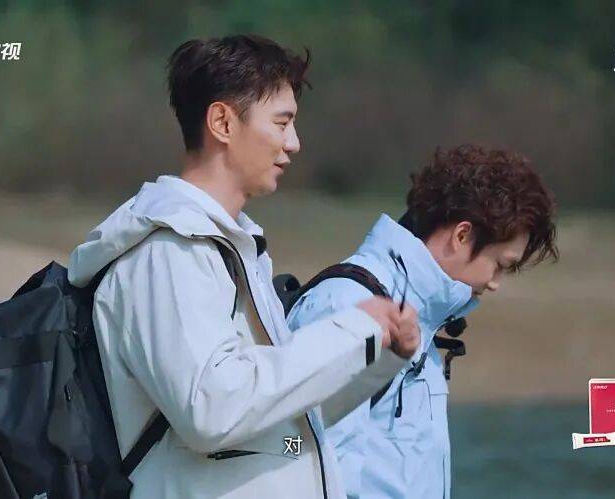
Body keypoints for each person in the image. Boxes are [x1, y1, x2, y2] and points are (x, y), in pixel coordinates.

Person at [67, 34, 420, 499]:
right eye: (282, 122)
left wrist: (378, 354)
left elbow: (288, 430)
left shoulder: (232, 249)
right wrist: (353, 330)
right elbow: (213, 411)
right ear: (222, 122)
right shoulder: (168, 252)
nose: (294, 143)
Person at [287, 144, 559, 498]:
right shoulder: (347, 304)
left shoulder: (423, 320)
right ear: (462, 235)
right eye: (500, 264)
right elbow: (297, 458)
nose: (495, 283)